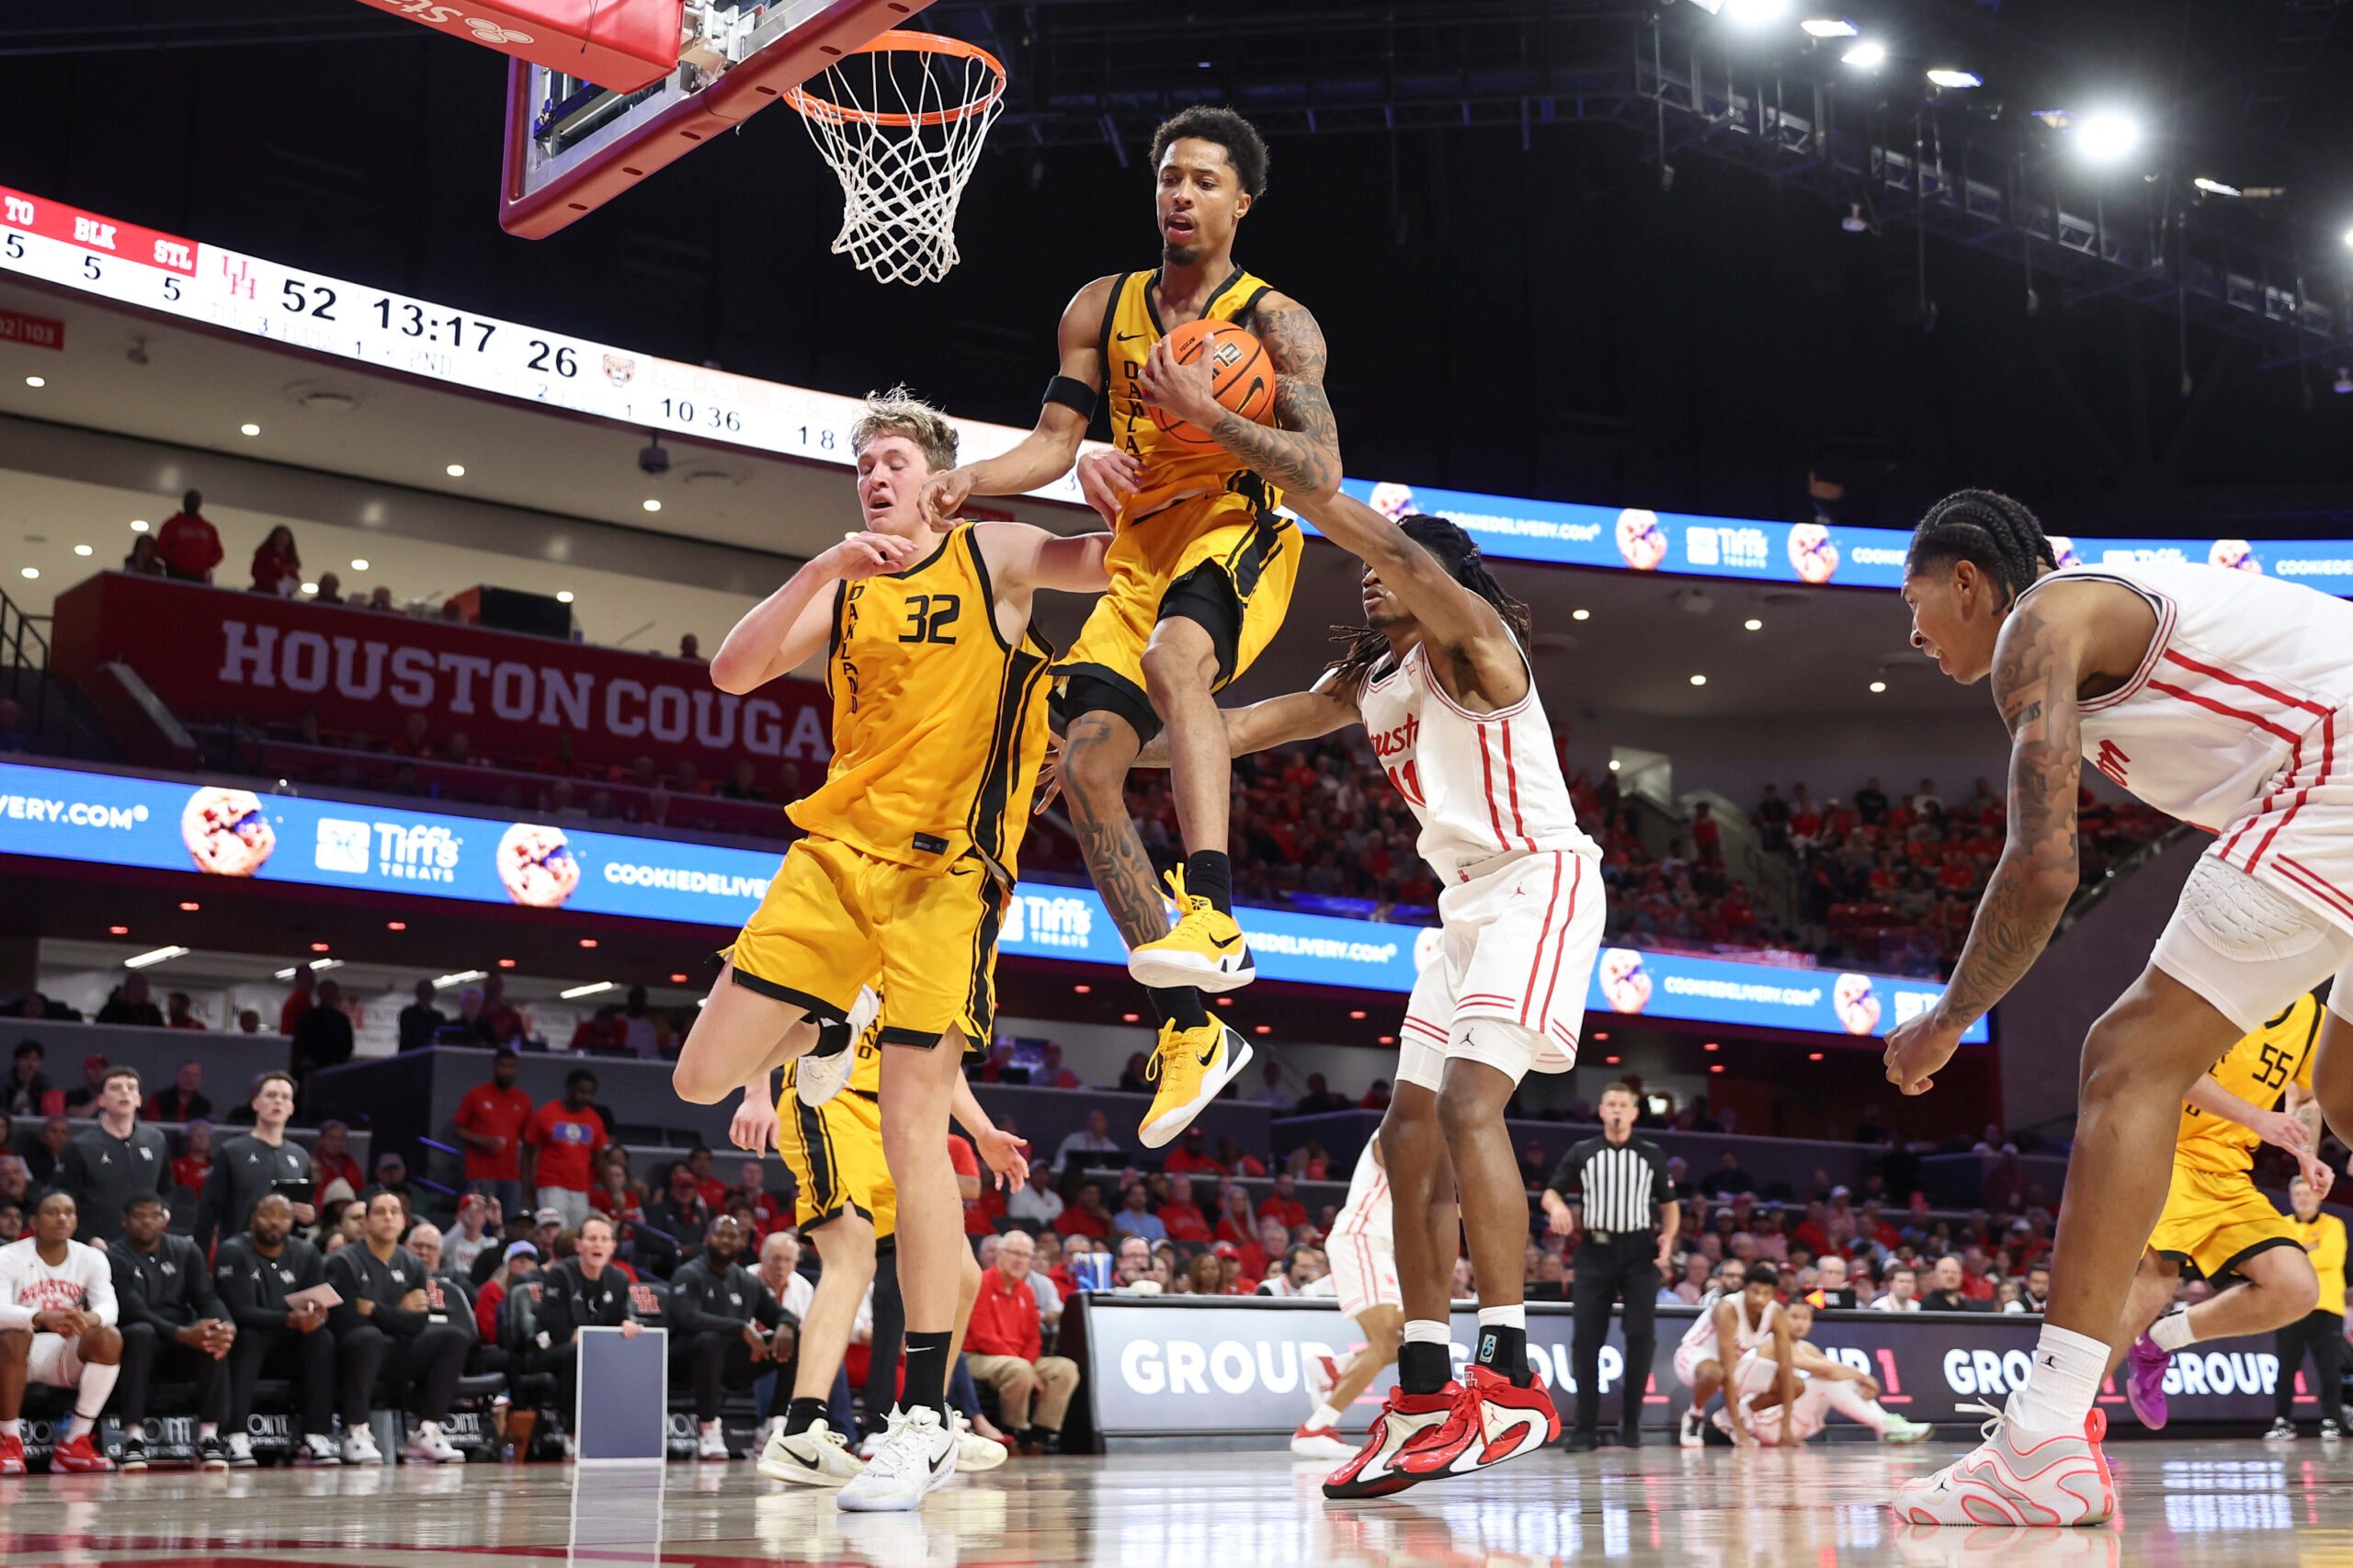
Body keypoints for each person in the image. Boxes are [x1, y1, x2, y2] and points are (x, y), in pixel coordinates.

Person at [1883, 490, 2353, 1526]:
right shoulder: (2106, 611)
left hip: (2339, 764)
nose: (1909, 630)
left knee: (2123, 1058)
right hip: (2328, 766)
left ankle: (2042, 1435)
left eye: (1911, 598)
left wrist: (1945, 1017)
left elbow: (2043, 868)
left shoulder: (2037, 623)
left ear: (1967, 578)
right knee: (2345, 1089)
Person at [674, 388, 1103, 1515]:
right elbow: (731, 669)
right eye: (863, 460)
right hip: (833, 859)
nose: (875, 473)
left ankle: (919, 1412)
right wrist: (818, 570)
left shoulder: (995, 552)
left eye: (896, 457)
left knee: (915, 1129)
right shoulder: (850, 579)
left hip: (942, 878)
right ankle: (818, 1026)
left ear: (938, 474)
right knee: (701, 1076)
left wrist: (1146, 487)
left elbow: (1107, 563)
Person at [1124, 492, 1597, 1497]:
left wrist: (1293, 474)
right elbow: (1242, 727)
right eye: (1368, 564)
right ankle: (1427, 1385)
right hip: (1464, 903)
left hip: (1537, 879)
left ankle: (1511, 1371)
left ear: (1438, 575)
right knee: (1403, 1135)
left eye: (1395, 560)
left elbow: (1398, 553)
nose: (1371, 572)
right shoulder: (1379, 678)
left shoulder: (1480, 643)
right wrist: (1108, 752)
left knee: (1472, 1106)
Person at [925, 107, 1337, 1151]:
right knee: (1087, 765)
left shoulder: (1276, 321)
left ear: (1241, 201)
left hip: (1235, 530)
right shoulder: (1098, 307)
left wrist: (1212, 416)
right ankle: (1192, 1027)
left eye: (1203, 181)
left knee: (1173, 663)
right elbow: (1056, 440)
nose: (1180, 195)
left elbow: (1322, 471)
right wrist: (969, 478)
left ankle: (1214, 906)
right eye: (1168, 178)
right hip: (1136, 555)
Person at [2114, 994, 2333, 1431]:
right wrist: (2256, 1118)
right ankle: (2058, 1422)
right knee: (2155, 1280)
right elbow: (2173, 1067)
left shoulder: (2312, 1018)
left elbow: (2306, 1097)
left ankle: (2159, 1342)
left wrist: (2305, 1152)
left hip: (2229, 1171)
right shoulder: (2226, 984)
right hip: (2165, 1144)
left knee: (2295, 1289)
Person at [745, 1010, 889, 1486]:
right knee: (851, 1256)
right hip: (825, 1095)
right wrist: (755, 1092)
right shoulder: (850, 941)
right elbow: (768, 1004)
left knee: (950, 1267)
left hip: (889, 1117)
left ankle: (923, 1419)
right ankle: (800, 1427)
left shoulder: (935, 966)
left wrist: (984, 1131)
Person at [1543, 1083, 1677, 1451]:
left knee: (1640, 1335)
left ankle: (1631, 1425)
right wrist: (1556, 1207)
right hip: (1595, 1250)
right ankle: (1584, 1428)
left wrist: (1667, 1237)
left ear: (1634, 1112)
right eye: (1611, 1104)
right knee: (1586, 1339)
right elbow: (1551, 1191)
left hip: (1638, 1251)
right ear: (1601, 1110)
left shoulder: (1651, 1153)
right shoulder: (1583, 1151)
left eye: (1624, 1105)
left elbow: (1669, 1204)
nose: (1617, 1110)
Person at [1290, 1137, 1402, 1460]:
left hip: (1380, 1247)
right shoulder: (1396, 1129)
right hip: (1361, 1238)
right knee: (1384, 1344)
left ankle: (1332, 1366)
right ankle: (1315, 1428)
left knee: (1420, 1332)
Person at [110, 1191, 234, 1471]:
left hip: (179, 1336)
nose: (147, 1222)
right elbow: (133, 1310)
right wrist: (182, 1333)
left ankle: (209, 1438)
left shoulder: (186, 1250)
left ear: (164, 1219)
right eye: (139, 1216)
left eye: (154, 1215)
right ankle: (133, 1439)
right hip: (140, 1341)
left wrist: (227, 1327)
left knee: (211, 1336)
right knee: (140, 1332)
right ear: (124, 1221)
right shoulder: (114, 1256)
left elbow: (206, 1297)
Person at [212, 1193, 338, 1467]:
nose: (275, 1222)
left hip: (290, 1348)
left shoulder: (306, 1253)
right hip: (248, 1343)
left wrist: (317, 1315)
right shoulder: (233, 1251)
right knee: (249, 1336)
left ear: (292, 1222)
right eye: (268, 1215)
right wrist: (289, 1320)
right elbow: (239, 1310)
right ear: (254, 1218)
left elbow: (317, 1300)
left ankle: (315, 1435)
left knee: (322, 1338)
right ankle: (235, 1434)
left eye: (283, 1216)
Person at [0, 1192, 120, 1473]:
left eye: (69, 1212)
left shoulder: (91, 1258)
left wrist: (88, 1318)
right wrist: (41, 1316)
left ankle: (75, 1441)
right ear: (34, 1221)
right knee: (13, 1334)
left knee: (109, 1336)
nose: (62, 1217)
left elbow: (110, 1308)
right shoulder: (8, 1256)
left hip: (61, 1355)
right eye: (53, 1212)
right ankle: (9, 1441)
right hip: (13, 1355)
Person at [1719, 1299, 1933, 1447]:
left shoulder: (1807, 1346)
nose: (1800, 1322)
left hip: (1792, 1423)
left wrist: (1859, 1381)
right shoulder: (1773, 1343)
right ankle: (1883, 1426)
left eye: (1805, 1317)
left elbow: (1834, 1370)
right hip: (1762, 1421)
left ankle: (1886, 1424)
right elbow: (1822, 1370)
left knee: (1846, 1382)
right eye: (1794, 1317)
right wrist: (1864, 1377)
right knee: (1825, 1383)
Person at [668, 1215, 792, 1460]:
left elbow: (779, 1313)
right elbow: (688, 1318)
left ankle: (772, 1425)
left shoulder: (747, 1281)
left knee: (791, 1338)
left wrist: (786, 1325)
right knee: (710, 1340)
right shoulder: (688, 1274)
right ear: (706, 1239)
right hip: (684, 1362)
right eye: (720, 1234)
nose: (725, 1240)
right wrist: (740, 1328)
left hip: (731, 1365)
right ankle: (708, 1428)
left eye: (732, 1236)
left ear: (742, 1243)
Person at [529, 1212, 649, 1444]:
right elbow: (558, 1331)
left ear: (613, 1246)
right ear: (579, 1245)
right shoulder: (560, 1275)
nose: (598, 1244)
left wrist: (627, 1324)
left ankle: (627, 1430)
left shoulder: (619, 1279)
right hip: (553, 1352)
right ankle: (573, 1433)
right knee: (578, 1353)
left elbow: (622, 1317)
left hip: (597, 1349)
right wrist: (600, 1344)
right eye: (592, 1238)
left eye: (605, 1239)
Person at [962, 1230, 1081, 1454]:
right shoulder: (981, 1283)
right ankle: (1013, 1430)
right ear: (999, 1254)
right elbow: (983, 1336)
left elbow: (1033, 1338)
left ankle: (1042, 1432)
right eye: (1014, 1253)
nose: (1020, 1260)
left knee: (1065, 1368)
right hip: (978, 1356)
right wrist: (1025, 1365)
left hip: (1018, 1359)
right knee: (1020, 1369)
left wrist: (1030, 1365)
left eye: (1025, 1255)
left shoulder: (1025, 1291)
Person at [1672, 1262, 1795, 1450]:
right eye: (1755, 1292)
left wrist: (1786, 1429)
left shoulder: (1776, 1312)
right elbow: (1727, 1372)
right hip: (1693, 1357)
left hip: (1732, 1363)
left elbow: (1786, 1367)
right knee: (1716, 1373)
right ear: (1745, 1289)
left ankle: (1729, 1417)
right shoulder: (1728, 1309)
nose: (1760, 1299)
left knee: (1795, 1384)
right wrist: (1740, 1431)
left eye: (1766, 1294)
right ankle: (1695, 1415)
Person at [196, 1072, 316, 1251]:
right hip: (239, 1253)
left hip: (285, 1257)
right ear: (255, 1103)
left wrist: (310, 1215)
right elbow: (207, 1212)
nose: (278, 1101)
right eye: (271, 1095)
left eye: (285, 1097)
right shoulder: (232, 1151)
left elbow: (307, 1206)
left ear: (291, 1108)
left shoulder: (300, 1156)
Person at [2269, 1172, 2347, 1441]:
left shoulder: (2333, 1225)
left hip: (2326, 1306)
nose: (2302, 1199)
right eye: (2297, 1194)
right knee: (2286, 1368)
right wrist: (2309, 1249)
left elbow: (2330, 1258)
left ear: (2318, 1196)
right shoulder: (2281, 1225)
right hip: (2289, 1307)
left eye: (2307, 1193)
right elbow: (2278, 1262)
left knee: (2328, 1368)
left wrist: (2297, 1252)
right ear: (2291, 1198)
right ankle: (2282, 1421)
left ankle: (2331, 1420)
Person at [61, 1065, 170, 1247]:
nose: (124, 1092)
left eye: (131, 1088)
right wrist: (87, 1238)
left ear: (139, 1100)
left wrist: (165, 1209)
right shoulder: (81, 1145)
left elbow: (167, 1188)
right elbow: (64, 1199)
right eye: (115, 1088)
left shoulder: (156, 1140)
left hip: (146, 1244)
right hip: (99, 1247)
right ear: (101, 1100)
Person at [453, 1049, 534, 1214]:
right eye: (503, 1066)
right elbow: (458, 1129)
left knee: (511, 1223)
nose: (507, 1071)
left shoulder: (523, 1099)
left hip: (511, 1175)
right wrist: (483, 1141)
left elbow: (529, 1140)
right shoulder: (476, 1094)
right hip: (481, 1173)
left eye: (511, 1067)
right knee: (475, 1221)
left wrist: (528, 1184)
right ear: (495, 1067)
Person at [525, 1069, 606, 1230]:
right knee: (555, 1232)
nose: (585, 1097)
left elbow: (600, 1160)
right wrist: (527, 1193)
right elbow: (527, 1156)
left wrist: (614, 1192)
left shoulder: (594, 1119)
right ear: (569, 1088)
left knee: (577, 1234)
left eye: (589, 1093)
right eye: (581, 1091)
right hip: (551, 1185)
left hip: (581, 1188)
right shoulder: (546, 1113)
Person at [290, 979, 355, 1083]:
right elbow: (299, 1042)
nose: (330, 995)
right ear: (320, 993)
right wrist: (305, 1060)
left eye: (332, 992)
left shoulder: (342, 1020)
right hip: (309, 1071)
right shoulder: (308, 1017)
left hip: (333, 1071)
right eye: (327, 991)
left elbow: (347, 1046)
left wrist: (337, 1063)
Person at [155, 489, 222, 583]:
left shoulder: (208, 529)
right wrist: (175, 563)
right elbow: (161, 547)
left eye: (195, 500)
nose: (192, 502)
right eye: (190, 499)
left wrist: (204, 565)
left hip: (199, 577)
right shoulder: (172, 525)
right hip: (175, 575)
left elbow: (218, 552)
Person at [145, 1059, 211, 1122]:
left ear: (200, 1079)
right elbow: (150, 1125)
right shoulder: (158, 1099)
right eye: (186, 1074)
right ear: (177, 1076)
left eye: (195, 1075)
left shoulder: (205, 1106)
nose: (190, 1079)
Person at [250, 525, 301, 597]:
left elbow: (294, 576)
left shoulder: (291, 558)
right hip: (263, 592)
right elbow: (256, 572)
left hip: (283, 596)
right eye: (280, 536)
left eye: (285, 537)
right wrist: (273, 584)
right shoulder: (264, 553)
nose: (282, 540)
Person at [396, 981, 445, 1053]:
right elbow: (408, 1038)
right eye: (424, 992)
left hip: (431, 1057)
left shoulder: (438, 1017)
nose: (427, 995)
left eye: (429, 992)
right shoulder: (408, 1014)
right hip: (411, 1056)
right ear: (418, 993)